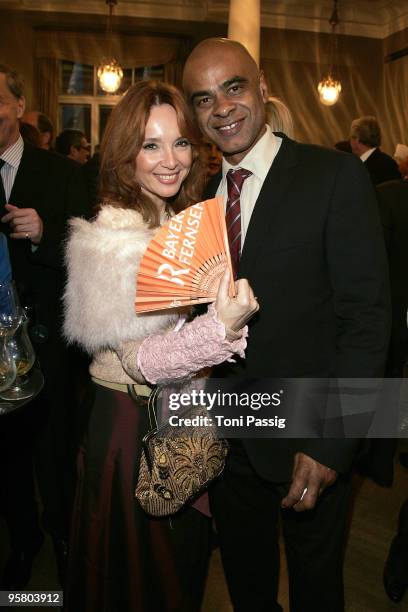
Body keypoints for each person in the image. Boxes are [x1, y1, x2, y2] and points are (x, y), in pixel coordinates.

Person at [182, 38, 391, 612]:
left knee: (316, 591)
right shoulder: (199, 197)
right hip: (227, 439)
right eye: (203, 98)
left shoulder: (334, 176)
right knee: (247, 589)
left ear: (263, 88)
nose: (221, 107)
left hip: (308, 435)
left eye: (234, 86)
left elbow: (368, 322)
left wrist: (330, 443)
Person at [63, 80, 258, 612]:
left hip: (174, 420)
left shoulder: (170, 222)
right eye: (151, 145)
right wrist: (222, 326)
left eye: (179, 142)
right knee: (140, 581)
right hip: (132, 426)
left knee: (178, 571)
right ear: (126, 154)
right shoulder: (112, 241)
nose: (169, 160)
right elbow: (141, 361)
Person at [0, 64, 90, 589]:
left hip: (46, 344)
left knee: (53, 451)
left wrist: (42, 233)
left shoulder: (60, 171)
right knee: (7, 459)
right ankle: (24, 537)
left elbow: (85, 252)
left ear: (17, 104)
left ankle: (62, 535)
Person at [349, 116, 401, 185]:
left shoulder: (364, 169)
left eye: (350, 138)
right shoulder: (388, 161)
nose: (349, 142)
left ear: (357, 139)